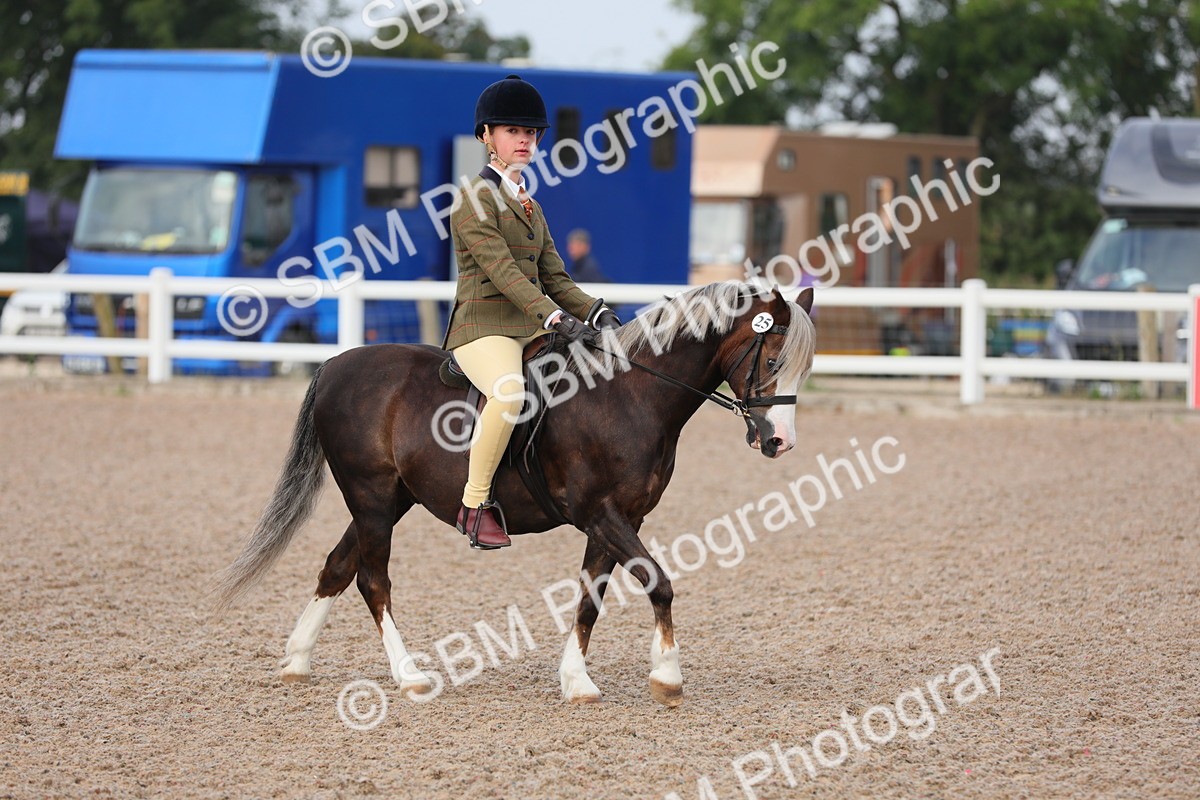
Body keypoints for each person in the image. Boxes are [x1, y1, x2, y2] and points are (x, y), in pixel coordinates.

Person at [443, 74, 620, 551]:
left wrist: (598, 313)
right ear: (486, 137)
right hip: (485, 328)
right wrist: (554, 319)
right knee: (508, 393)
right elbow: (504, 273)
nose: (524, 141)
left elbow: (556, 278)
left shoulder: (530, 206)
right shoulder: (472, 200)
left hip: (531, 324)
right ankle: (474, 504)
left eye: (530, 133)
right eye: (512, 132)